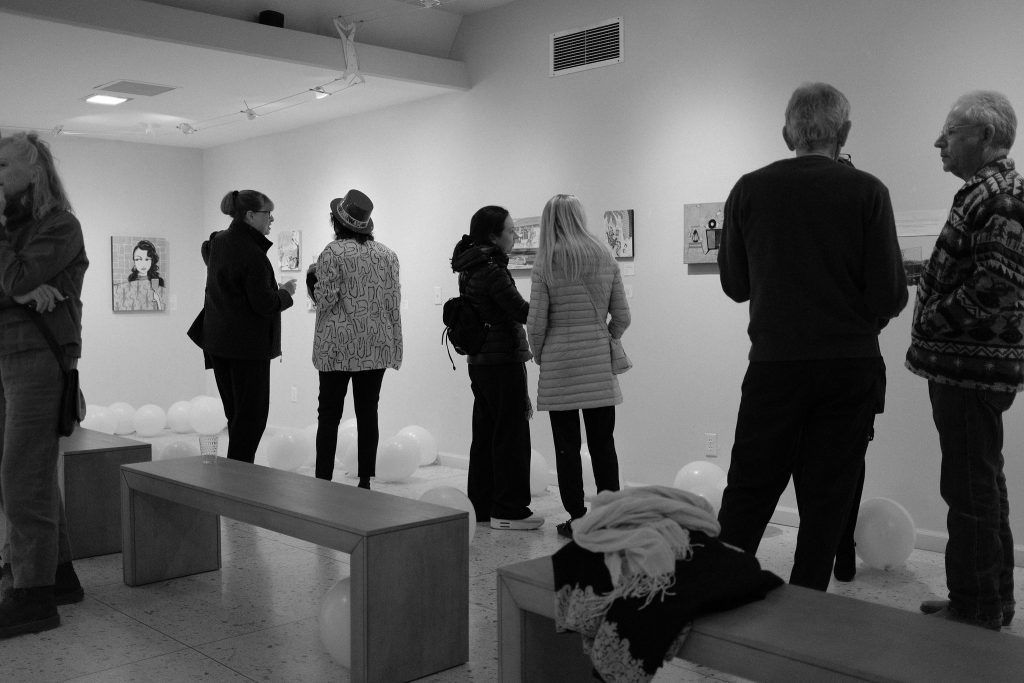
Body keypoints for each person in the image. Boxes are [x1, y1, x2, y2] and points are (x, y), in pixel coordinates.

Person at [715, 83, 908, 591]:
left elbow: (735, 285)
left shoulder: (749, 190)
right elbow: (889, 293)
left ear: (787, 134)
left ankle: (718, 593)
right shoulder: (868, 192)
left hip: (775, 363)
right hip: (848, 365)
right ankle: (806, 608)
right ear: (845, 132)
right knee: (827, 499)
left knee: (749, 488)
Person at [908, 91, 1024, 631]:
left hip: (971, 371)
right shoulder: (989, 192)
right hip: (970, 369)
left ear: (984, 136)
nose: (939, 142)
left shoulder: (999, 196)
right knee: (982, 482)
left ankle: (974, 607)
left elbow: (998, 286)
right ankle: (992, 600)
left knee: (969, 488)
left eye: (950, 132)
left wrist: (933, 317)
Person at [0, 132, 88, 637]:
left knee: (23, 476)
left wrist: (19, 287)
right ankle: (58, 575)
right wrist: (21, 292)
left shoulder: (60, 226)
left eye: (2, 165)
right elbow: (17, 284)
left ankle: (33, 595)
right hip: (7, 356)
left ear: (33, 171)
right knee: (22, 472)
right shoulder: (13, 230)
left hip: (39, 357)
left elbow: (14, 278)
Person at [527, 194, 630, 539]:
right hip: (597, 362)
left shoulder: (546, 262)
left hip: (560, 365)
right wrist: (605, 337)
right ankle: (609, 517)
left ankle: (577, 517)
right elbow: (623, 316)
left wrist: (540, 353)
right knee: (603, 445)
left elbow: (536, 323)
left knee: (566, 447)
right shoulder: (604, 254)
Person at [451, 206, 542, 530]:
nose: (515, 236)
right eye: (510, 230)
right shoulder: (492, 269)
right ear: (493, 235)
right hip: (502, 361)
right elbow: (519, 311)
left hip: (480, 362)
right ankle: (509, 507)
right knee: (511, 435)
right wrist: (549, 306)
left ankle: (482, 504)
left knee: (486, 434)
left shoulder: (469, 266)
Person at [309, 190, 402, 489]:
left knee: (329, 415)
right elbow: (393, 303)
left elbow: (325, 299)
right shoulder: (387, 255)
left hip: (336, 347)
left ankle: (323, 479)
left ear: (336, 222)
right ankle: (364, 481)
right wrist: (395, 346)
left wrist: (312, 280)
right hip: (375, 346)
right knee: (368, 412)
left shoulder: (332, 253)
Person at [199, 190, 296, 463]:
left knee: (236, 416)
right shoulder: (251, 252)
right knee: (251, 419)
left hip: (218, 343)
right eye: (268, 213)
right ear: (250, 215)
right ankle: (238, 476)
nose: (272, 219)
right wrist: (285, 293)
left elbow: (210, 255)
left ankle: (235, 474)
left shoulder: (218, 242)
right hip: (247, 347)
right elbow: (263, 303)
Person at [112, 239, 165, 311]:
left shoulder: (158, 282)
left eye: (147, 259)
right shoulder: (129, 282)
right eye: (138, 259)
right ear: (134, 261)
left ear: (152, 261)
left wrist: (158, 301)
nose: (143, 264)